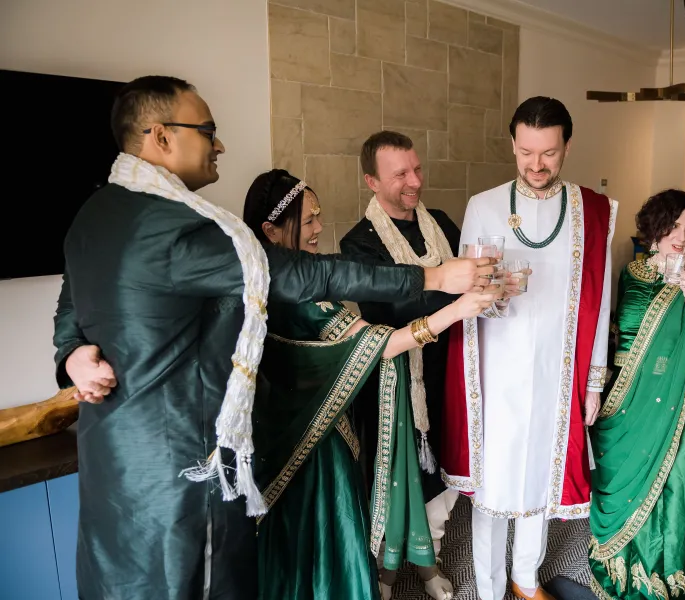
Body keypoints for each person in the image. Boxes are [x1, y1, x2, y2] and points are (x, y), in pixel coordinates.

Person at [52, 75, 489, 600]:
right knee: (192, 582)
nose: (219, 144)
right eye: (208, 130)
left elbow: (72, 298)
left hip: (111, 453)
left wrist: (71, 351)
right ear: (161, 136)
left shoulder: (95, 211)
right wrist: (433, 278)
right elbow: (308, 276)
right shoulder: (175, 228)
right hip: (179, 467)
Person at [243, 169, 496, 600]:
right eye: (308, 221)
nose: (320, 228)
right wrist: (458, 310)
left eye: (318, 216)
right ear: (271, 230)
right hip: (316, 447)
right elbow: (378, 344)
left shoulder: (257, 282)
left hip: (276, 435)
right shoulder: (302, 298)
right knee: (327, 535)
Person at [440, 96, 618, 600]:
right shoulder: (485, 205)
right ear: (513, 144)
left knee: (544, 471)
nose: (536, 165)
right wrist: (494, 296)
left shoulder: (593, 210)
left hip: (558, 371)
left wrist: (593, 379)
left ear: (566, 145)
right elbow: (467, 294)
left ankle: (524, 578)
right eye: (526, 152)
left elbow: (599, 299)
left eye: (549, 153)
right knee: (492, 483)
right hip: (496, 369)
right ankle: (490, 586)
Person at [339, 131, 471, 598]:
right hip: (396, 381)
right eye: (401, 174)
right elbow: (392, 308)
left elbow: (467, 280)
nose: (415, 181)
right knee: (398, 481)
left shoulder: (440, 222)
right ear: (372, 181)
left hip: (449, 371)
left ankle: (429, 560)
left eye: (417, 168)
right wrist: (455, 289)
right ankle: (387, 573)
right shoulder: (358, 244)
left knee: (448, 474)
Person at [589, 190, 685, 600]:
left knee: (675, 488)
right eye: (675, 226)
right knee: (624, 481)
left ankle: (670, 571)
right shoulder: (631, 272)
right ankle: (628, 566)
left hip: (681, 400)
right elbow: (614, 334)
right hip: (627, 399)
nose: (683, 236)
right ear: (656, 225)